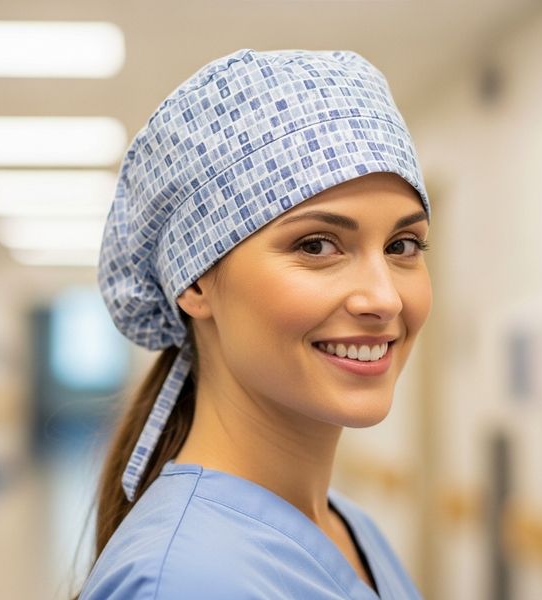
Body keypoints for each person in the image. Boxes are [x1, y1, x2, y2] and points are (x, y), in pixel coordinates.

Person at [78, 48, 431, 600]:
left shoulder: (350, 530)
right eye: (317, 245)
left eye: (403, 245)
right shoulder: (185, 583)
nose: (384, 298)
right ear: (194, 282)